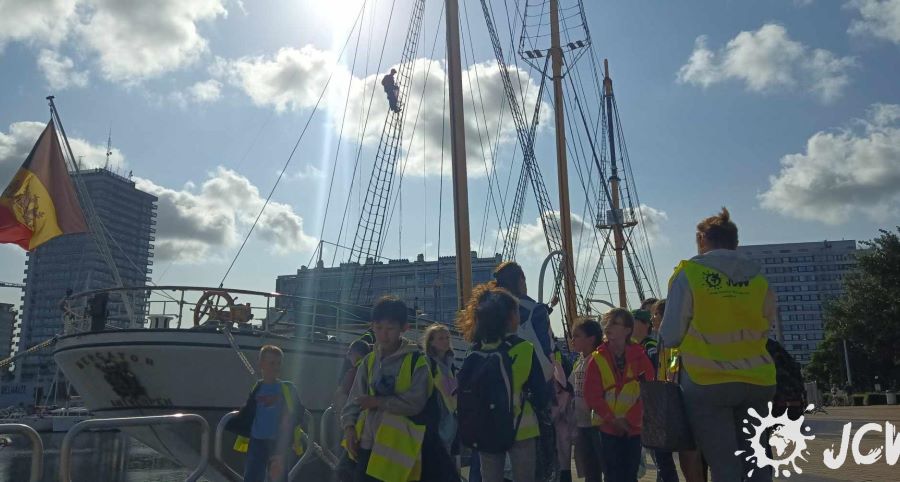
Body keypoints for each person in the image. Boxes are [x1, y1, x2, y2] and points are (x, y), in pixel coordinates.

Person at [659, 207, 777, 482]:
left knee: (725, 465)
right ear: (735, 242)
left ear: (702, 239)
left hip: (707, 380)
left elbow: (671, 335)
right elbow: (767, 322)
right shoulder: (758, 278)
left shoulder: (689, 274)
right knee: (757, 461)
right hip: (757, 378)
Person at [456, 283, 551, 482]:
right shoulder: (524, 348)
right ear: (509, 317)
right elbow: (541, 395)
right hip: (522, 427)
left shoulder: (475, 350)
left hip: (486, 426)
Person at [341, 296, 435, 482]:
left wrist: (377, 402)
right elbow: (354, 399)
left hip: (399, 451)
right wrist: (349, 427)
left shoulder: (417, 361)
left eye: (390, 328)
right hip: (367, 445)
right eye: (379, 328)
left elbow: (416, 403)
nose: (384, 334)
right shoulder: (369, 361)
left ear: (404, 328)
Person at [584, 308, 654, 482]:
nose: (608, 327)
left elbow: (648, 392)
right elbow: (592, 395)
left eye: (615, 323)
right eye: (607, 322)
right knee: (612, 476)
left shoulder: (640, 357)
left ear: (627, 330)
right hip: (606, 428)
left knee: (630, 476)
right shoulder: (597, 359)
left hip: (633, 429)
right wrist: (612, 419)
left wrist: (629, 420)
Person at [226, 345, 307, 482]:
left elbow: (299, 411)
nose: (276, 367)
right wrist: (233, 422)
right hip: (257, 441)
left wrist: (288, 422)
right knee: (252, 477)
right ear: (261, 365)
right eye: (272, 363)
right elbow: (249, 410)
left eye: (278, 363)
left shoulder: (287, 388)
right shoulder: (257, 387)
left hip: (278, 443)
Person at [569, 317, 605, 482]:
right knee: (590, 469)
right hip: (582, 423)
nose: (572, 340)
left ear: (591, 339)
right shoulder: (579, 362)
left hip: (598, 424)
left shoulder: (597, 360)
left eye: (577, 336)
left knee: (605, 465)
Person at [422, 323, 459, 455]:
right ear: (431, 342)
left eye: (447, 338)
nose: (445, 341)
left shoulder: (450, 364)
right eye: (441, 338)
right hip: (434, 416)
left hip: (449, 416)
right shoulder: (427, 362)